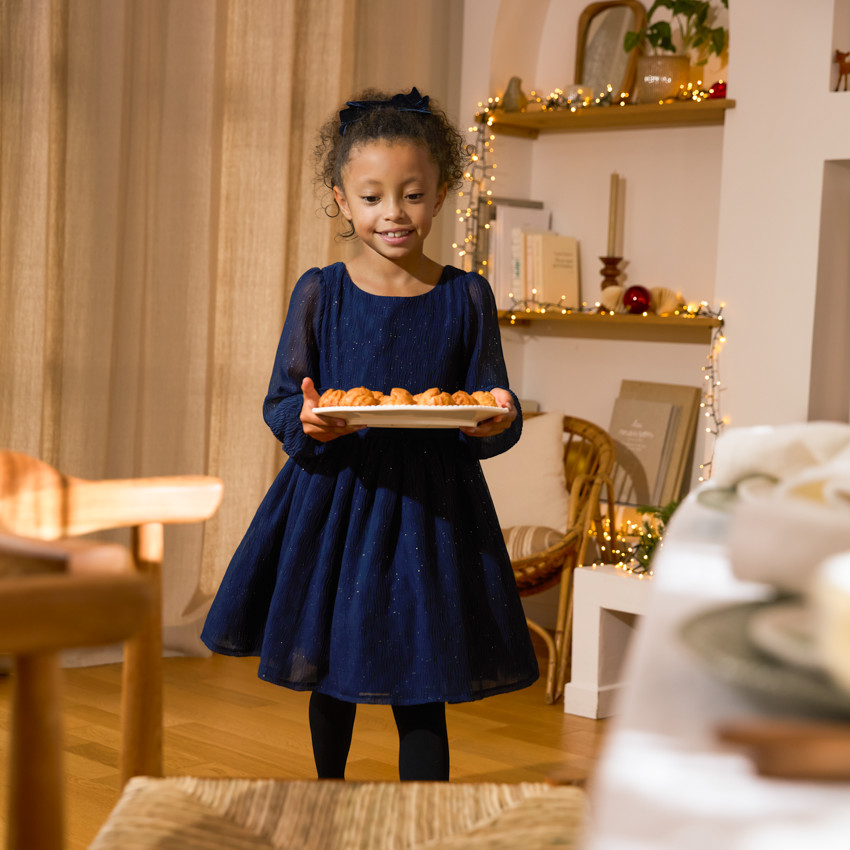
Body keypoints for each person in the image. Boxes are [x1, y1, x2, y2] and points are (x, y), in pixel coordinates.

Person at [201, 87, 538, 782]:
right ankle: (330, 793)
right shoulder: (321, 291)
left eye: (412, 195)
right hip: (335, 504)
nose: (394, 214)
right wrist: (307, 420)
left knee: (424, 672)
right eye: (374, 197)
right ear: (342, 200)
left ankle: (424, 815)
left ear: (440, 195)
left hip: (434, 512)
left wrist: (498, 418)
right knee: (333, 660)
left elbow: (483, 404)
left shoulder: (465, 295)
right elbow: (280, 399)